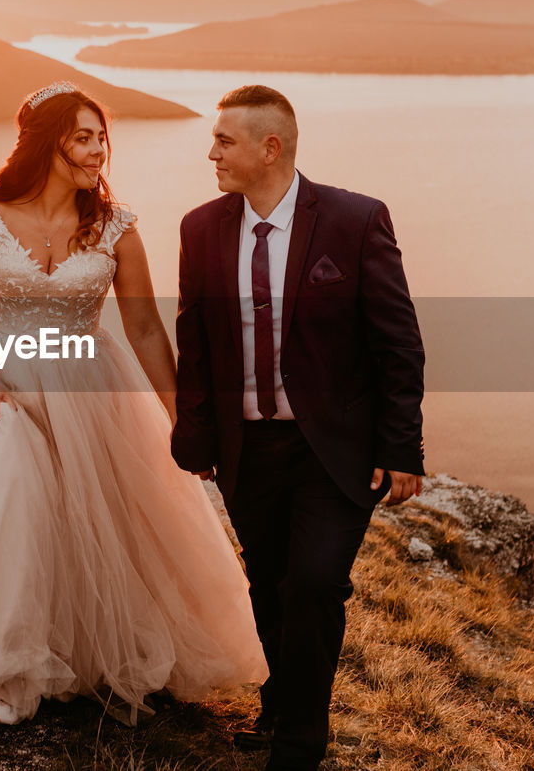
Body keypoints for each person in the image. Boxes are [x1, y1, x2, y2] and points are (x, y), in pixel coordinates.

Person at [0, 81, 267, 727]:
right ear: (48, 143)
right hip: (2, 378)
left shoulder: (116, 228)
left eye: (102, 139)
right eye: (84, 137)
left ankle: (71, 652)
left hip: (91, 387)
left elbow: (146, 329)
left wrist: (182, 416)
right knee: (9, 501)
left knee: (89, 524)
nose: (98, 152)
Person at [172, 85, 426, 770]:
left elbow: (398, 343)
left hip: (331, 452)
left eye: (224, 141)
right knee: (269, 583)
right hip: (245, 450)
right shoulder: (200, 228)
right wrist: (194, 437)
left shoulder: (355, 220)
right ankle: (279, 704)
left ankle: (298, 746)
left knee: (315, 584)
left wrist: (402, 447)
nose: (212, 153)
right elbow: (193, 339)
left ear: (270, 147)